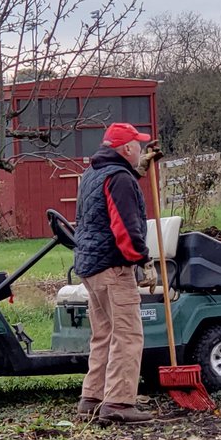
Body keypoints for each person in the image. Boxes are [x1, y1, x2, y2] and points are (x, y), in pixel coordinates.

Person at [73, 122, 159, 424]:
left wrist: (138, 170)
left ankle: (92, 398)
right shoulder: (119, 179)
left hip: (89, 267)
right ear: (125, 149)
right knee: (127, 335)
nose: (141, 149)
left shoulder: (93, 173)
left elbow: (110, 194)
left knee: (103, 335)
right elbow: (125, 227)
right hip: (113, 267)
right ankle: (119, 404)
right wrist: (143, 260)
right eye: (138, 145)